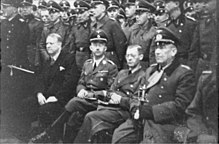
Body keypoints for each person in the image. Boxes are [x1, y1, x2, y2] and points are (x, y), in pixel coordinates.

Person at [29, 29, 118, 143]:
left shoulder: (111, 67)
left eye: (101, 45)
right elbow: (81, 82)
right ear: (90, 47)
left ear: (105, 48)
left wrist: (91, 94)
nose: (97, 47)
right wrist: (80, 90)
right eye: (95, 44)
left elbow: (111, 91)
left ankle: (48, 134)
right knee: (72, 121)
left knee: (73, 103)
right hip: (83, 100)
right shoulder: (87, 64)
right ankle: (55, 137)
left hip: (98, 102)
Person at [112, 26, 196, 143]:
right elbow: (139, 94)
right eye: (156, 47)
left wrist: (151, 111)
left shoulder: (183, 74)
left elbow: (180, 105)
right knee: (119, 136)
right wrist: (136, 107)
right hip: (142, 118)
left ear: (173, 51)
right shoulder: (151, 71)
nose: (157, 51)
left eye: (162, 47)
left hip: (164, 123)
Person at [74, 44, 145, 143]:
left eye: (133, 56)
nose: (129, 58)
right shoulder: (122, 73)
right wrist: (111, 96)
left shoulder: (142, 76)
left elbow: (136, 101)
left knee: (91, 116)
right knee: (80, 116)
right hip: (110, 106)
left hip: (124, 111)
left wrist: (120, 100)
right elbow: (111, 90)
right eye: (127, 55)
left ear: (140, 57)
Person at [22, 33, 78, 139]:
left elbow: (70, 82)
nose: (48, 46)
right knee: (27, 103)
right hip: (45, 97)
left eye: (51, 43)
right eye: (47, 43)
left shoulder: (68, 59)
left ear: (59, 44)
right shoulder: (47, 60)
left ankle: (49, 138)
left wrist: (56, 97)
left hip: (61, 98)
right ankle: (28, 136)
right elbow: (40, 79)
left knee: (46, 109)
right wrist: (39, 94)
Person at [91, 0, 127, 70]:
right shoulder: (94, 25)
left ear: (103, 9)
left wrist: (119, 62)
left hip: (110, 60)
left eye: (95, 8)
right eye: (92, 8)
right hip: (96, 58)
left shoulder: (112, 24)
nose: (93, 10)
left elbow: (121, 45)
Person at [63, 0, 92, 71]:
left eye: (81, 12)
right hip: (77, 58)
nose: (79, 16)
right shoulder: (75, 27)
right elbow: (71, 47)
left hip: (89, 57)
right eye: (77, 13)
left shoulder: (92, 26)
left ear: (88, 12)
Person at [128, 0, 157, 70]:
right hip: (133, 67)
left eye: (140, 14)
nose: (137, 17)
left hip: (145, 68)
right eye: (136, 14)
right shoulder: (133, 30)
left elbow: (152, 56)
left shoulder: (153, 31)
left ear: (149, 15)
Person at [39, 0, 67, 66]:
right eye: (50, 12)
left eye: (54, 12)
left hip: (62, 61)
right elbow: (41, 45)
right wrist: (47, 57)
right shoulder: (46, 28)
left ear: (59, 13)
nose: (51, 14)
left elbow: (66, 46)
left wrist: (56, 58)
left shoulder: (66, 28)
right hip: (48, 61)